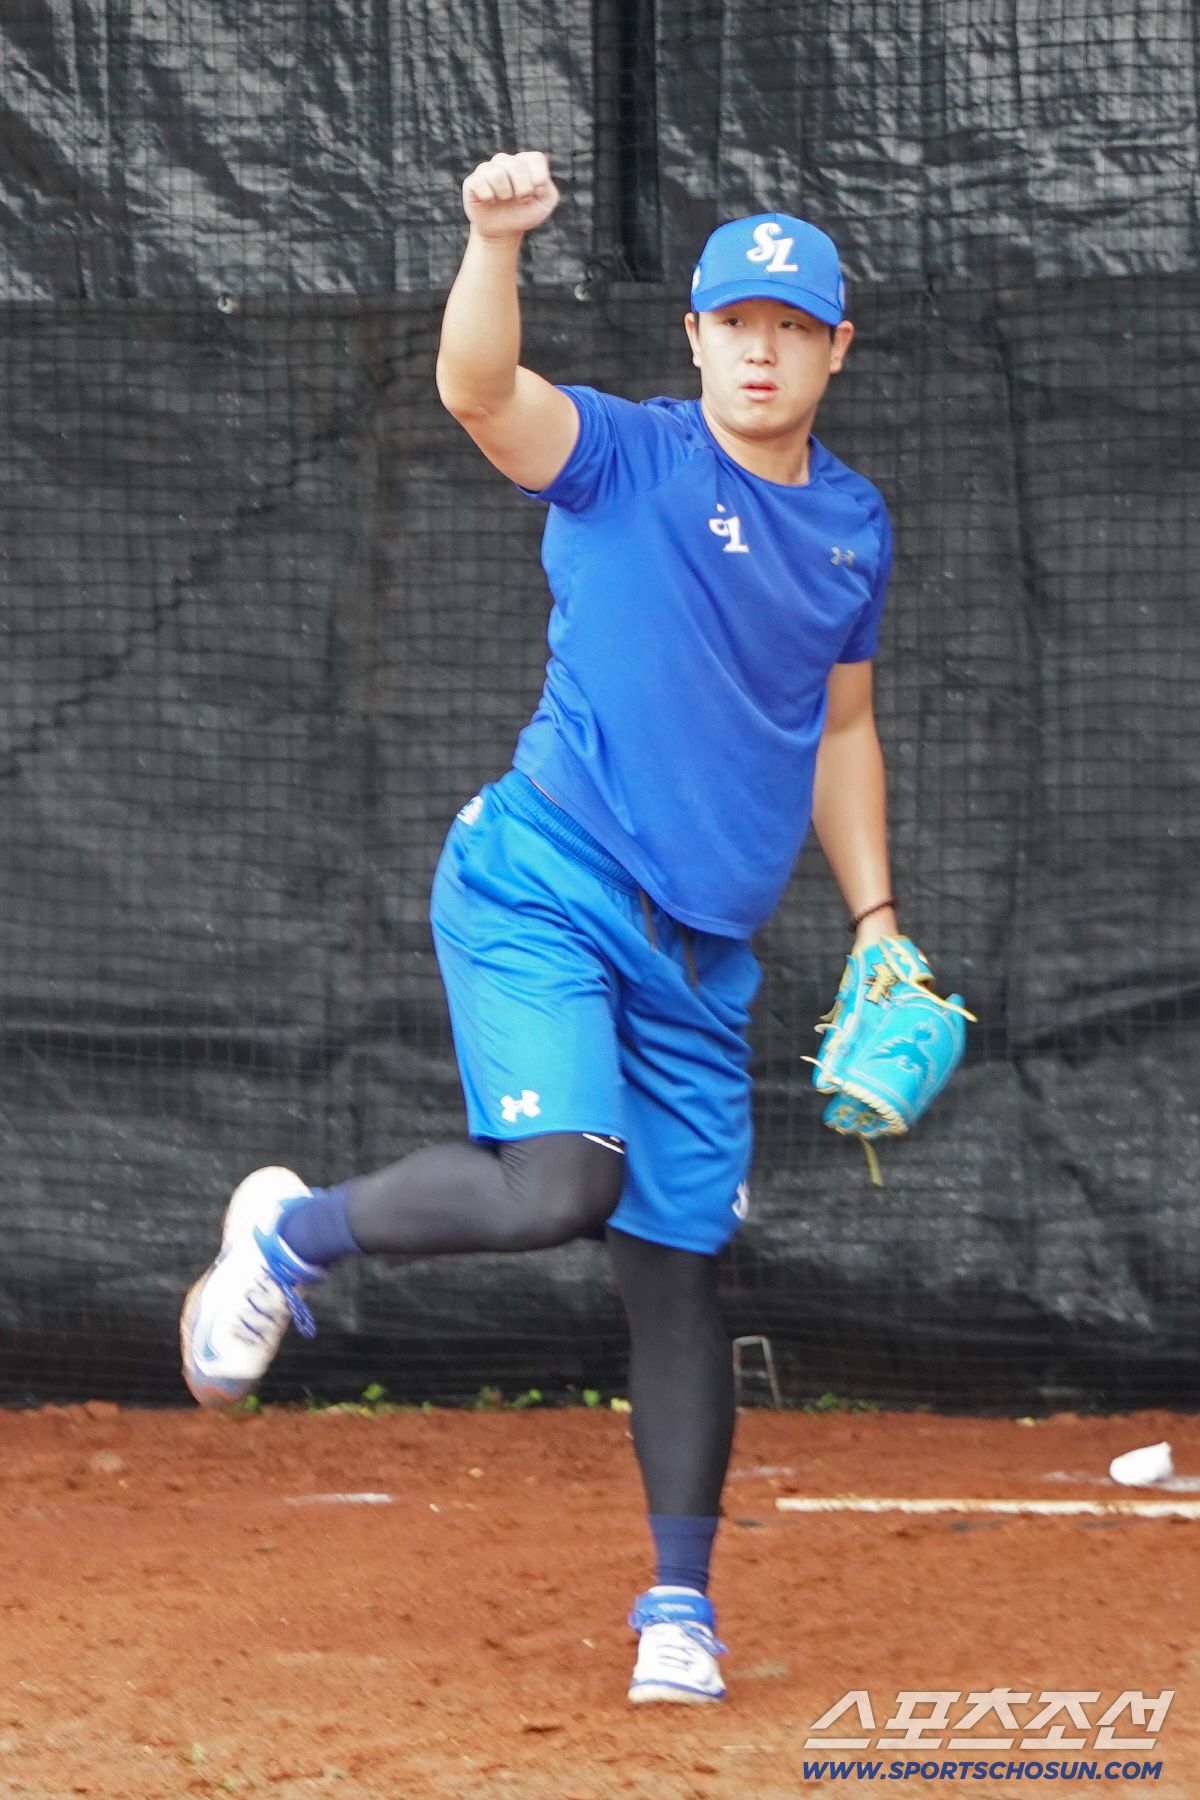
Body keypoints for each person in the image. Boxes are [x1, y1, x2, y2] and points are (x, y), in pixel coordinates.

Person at [181, 150, 900, 1705]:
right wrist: (490, 244)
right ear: (694, 338)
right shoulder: (626, 456)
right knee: (566, 1180)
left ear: (836, 350)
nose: (761, 349)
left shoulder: (853, 525)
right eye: (735, 322)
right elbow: (477, 390)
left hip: (703, 961)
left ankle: (678, 1609)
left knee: (680, 1268)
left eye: (792, 327)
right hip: (544, 883)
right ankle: (289, 1236)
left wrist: (877, 920)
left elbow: (841, 730)